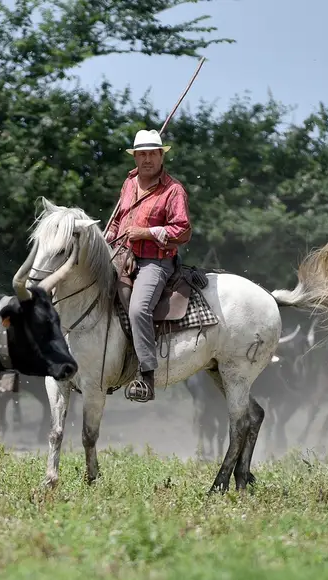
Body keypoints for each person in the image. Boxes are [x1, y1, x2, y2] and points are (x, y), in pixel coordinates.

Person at [103, 128, 192, 403]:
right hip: (122, 253)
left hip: (156, 261)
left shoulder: (173, 190)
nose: (147, 159)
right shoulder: (129, 182)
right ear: (135, 158)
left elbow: (183, 230)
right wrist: (108, 236)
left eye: (152, 153)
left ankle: (146, 375)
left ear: (161, 156)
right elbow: (119, 218)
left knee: (138, 309)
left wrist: (146, 232)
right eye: (141, 154)